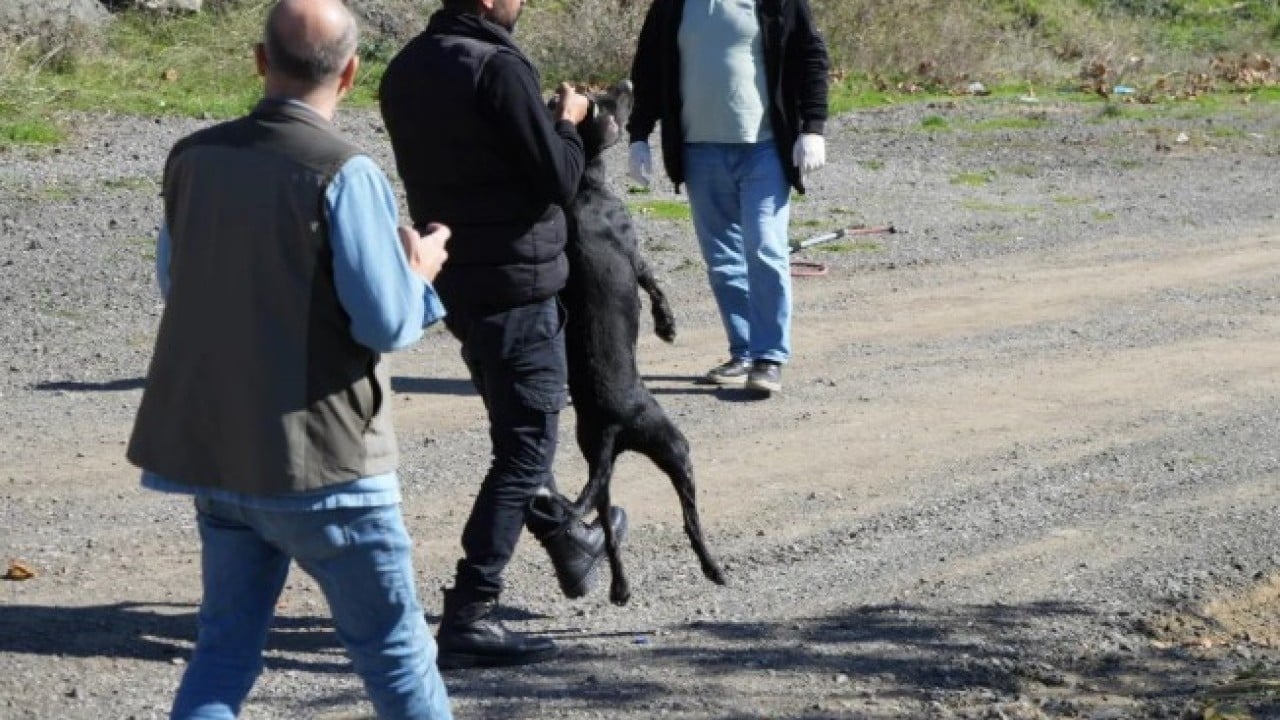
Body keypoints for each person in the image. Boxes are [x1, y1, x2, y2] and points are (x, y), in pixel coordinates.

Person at [125, 1, 453, 717]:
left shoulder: (194, 158)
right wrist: (420, 273)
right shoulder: (347, 171)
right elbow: (386, 320)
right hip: (329, 467)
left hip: (222, 458)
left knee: (223, 653)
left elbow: (177, 284)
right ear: (353, 73)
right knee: (398, 657)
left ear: (260, 60)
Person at [378, 0, 628, 670]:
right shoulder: (498, 68)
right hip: (517, 280)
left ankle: (570, 538)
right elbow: (560, 177)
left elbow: (477, 156)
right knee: (524, 444)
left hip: (455, 275)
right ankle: (472, 611)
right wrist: (570, 124)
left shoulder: (405, 68)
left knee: (517, 425)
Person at [627, 0, 830, 396]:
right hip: (699, 150)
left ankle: (769, 357)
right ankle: (744, 351)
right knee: (722, 260)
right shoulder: (672, 5)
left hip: (765, 149)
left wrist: (813, 127)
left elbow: (810, 55)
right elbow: (649, 67)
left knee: (765, 247)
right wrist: (639, 135)